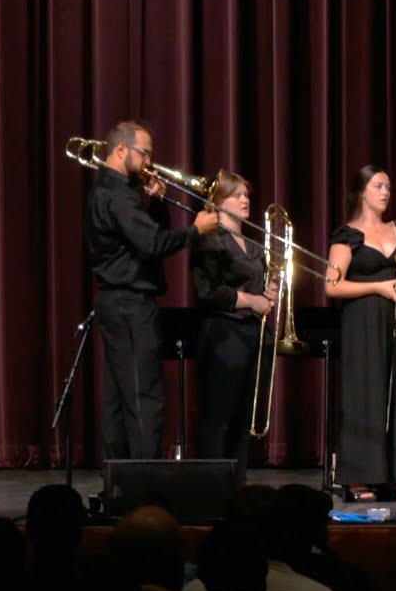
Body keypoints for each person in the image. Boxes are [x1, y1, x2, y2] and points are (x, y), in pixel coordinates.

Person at [84, 120, 219, 460]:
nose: (149, 162)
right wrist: (196, 230)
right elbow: (154, 244)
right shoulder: (116, 195)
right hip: (129, 302)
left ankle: (117, 481)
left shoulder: (119, 192)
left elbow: (148, 237)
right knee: (145, 394)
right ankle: (144, 482)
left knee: (119, 397)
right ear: (120, 150)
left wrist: (158, 203)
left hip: (119, 301)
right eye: (144, 153)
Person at [325, 165, 396, 503]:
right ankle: (357, 477)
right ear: (362, 192)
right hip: (362, 320)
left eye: (388, 186)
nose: (385, 192)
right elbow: (333, 286)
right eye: (378, 185)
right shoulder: (347, 234)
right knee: (364, 394)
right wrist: (379, 287)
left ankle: (391, 475)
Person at [190, 171, 280, 486]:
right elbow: (209, 292)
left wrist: (267, 293)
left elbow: (257, 288)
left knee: (245, 417)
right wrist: (252, 301)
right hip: (224, 335)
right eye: (237, 195)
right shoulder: (210, 240)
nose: (245, 200)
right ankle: (213, 487)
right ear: (218, 201)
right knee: (220, 416)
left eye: (246, 195)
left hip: (254, 336)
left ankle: (237, 483)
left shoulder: (254, 244)